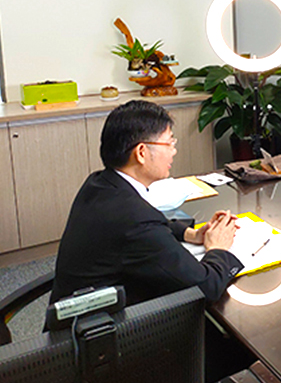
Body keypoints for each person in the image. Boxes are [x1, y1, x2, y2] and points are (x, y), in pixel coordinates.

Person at [50, 100, 243, 306]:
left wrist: (191, 234)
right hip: (107, 321)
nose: (174, 151)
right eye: (169, 143)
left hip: (74, 307)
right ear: (141, 153)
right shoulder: (135, 219)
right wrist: (218, 248)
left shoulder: (100, 183)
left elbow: (143, 227)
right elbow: (207, 286)